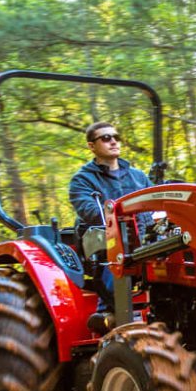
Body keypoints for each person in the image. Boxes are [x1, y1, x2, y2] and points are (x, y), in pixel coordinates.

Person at [68, 121, 150, 331]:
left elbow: (156, 205)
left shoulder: (138, 176)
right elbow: (90, 211)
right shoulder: (82, 180)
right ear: (91, 146)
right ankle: (110, 314)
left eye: (115, 137)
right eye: (105, 138)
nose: (113, 141)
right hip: (106, 244)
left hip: (147, 241)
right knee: (117, 250)